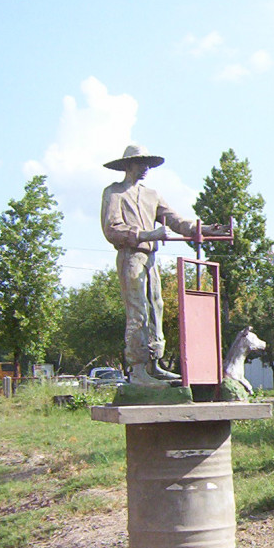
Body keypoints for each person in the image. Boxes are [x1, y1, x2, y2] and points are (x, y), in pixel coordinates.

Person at [101, 145, 226, 386]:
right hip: (130, 257)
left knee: (156, 306)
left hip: (150, 259)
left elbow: (176, 220)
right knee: (137, 309)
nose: (145, 168)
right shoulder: (114, 193)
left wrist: (203, 229)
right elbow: (111, 229)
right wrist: (146, 234)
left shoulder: (151, 195)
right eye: (140, 163)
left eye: (148, 164)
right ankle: (137, 369)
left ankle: (154, 364)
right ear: (127, 165)